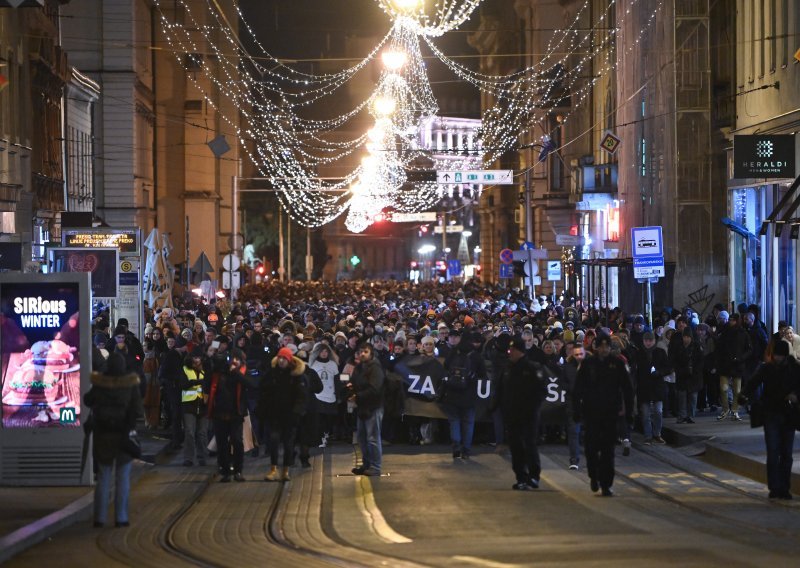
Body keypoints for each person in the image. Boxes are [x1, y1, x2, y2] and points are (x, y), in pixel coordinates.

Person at [85, 352, 144, 528]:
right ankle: (121, 518)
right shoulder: (130, 384)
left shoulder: (100, 383)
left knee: (103, 477)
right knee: (123, 477)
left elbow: (88, 400)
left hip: (103, 435)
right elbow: (138, 410)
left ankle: (100, 518)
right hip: (124, 435)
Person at [572, 334, 634, 496]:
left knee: (608, 450)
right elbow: (578, 388)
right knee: (591, 449)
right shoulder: (588, 364)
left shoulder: (617, 364)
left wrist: (629, 413)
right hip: (591, 413)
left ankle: (606, 484)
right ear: (596, 347)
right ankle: (594, 476)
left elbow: (627, 389)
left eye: (607, 346)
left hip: (610, 413)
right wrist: (576, 411)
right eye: (601, 346)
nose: (604, 349)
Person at [740, 340, 800, 499]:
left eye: (780, 355)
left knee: (786, 453)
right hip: (772, 413)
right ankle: (775, 487)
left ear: (786, 355)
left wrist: (796, 395)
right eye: (776, 355)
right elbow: (753, 382)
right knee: (773, 452)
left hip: (788, 414)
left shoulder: (795, 369)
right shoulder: (767, 368)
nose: (777, 358)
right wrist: (744, 394)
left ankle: (784, 487)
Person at [493, 337, 548, 490]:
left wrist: (532, 407)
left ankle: (533, 476)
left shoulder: (533, 368)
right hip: (512, 414)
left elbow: (542, 391)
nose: (509, 353)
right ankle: (521, 477)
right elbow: (500, 390)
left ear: (519, 351)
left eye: (512, 350)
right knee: (516, 446)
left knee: (530, 445)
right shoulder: (508, 368)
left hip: (529, 414)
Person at [260, 347, 308, 481]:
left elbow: (301, 396)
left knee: (288, 444)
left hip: (290, 416)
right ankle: (273, 469)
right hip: (275, 414)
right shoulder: (272, 373)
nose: (281, 361)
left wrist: (296, 413)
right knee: (274, 441)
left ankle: (286, 470)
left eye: (284, 358)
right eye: (280, 358)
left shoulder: (296, 376)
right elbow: (264, 390)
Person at [207, 347, 250, 482]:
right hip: (219, 413)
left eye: (238, 359)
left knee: (237, 442)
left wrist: (236, 373)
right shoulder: (219, 373)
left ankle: (238, 470)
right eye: (233, 359)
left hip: (235, 414)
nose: (235, 362)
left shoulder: (242, 373)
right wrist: (210, 357)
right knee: (222, 444)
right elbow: (207, 380)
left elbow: (250, 384)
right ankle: (225, 471)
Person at [348, 343, 385, 476]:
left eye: (366, 351)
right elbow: (353, 382)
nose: (362, 354)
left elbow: (375, 389)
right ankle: (367, 464)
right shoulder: (359, 367)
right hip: (362, 407)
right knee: (362, 438)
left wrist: (357, 395)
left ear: (371, 353)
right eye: (360, 351)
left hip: (373, 407)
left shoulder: (375, 368)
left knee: (372, 438)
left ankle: (375, 466)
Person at [634, 331, 671, 444]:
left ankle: (657, 433)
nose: (648, 343)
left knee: (658, 411)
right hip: (644, 387)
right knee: (645, 413)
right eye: (646, 340)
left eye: (650, 340)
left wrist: (659, 373)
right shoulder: (639, 353)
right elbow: (636, 371)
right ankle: (648, 435)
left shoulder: (660, 352)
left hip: (657, 386)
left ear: (654, 341)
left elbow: (668, 368)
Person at [180, 353, 209, 467]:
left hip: (203, 405)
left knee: (202, 433)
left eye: (198, 357)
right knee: (190, 432)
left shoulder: (205, 370)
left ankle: (202, 457)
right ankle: (188, 458)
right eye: (194, 357)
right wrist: (198, 382)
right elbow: (183, 384)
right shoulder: (185, 369)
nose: (196, 360)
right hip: (189, 405)